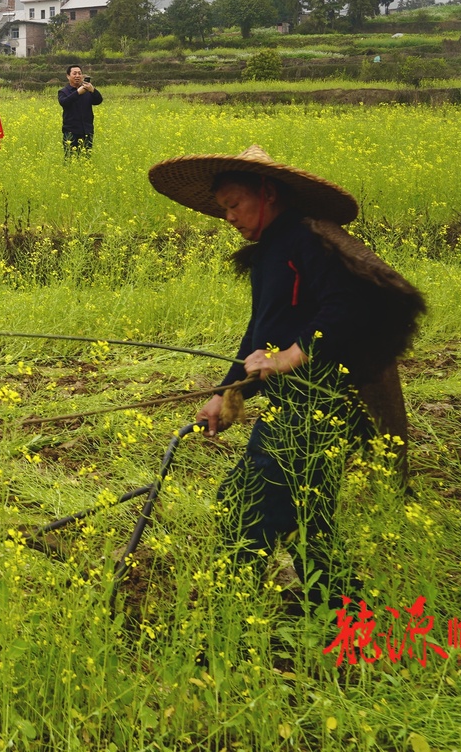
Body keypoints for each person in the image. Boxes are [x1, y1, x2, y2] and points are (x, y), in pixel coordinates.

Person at [149, 144, 422, 613]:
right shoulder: (269, 251)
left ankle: (229, 612)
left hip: (319, 400)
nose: (229, 217)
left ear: (268, 193)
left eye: (235, 204)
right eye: (223, 208)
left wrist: (294, 354)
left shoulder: (307, 239)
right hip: (297, 401)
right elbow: (261, 333)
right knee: (308, 515)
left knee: (244, 502)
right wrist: (226, 393)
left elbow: (350, 305)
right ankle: (341, 611)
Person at [58, 65, 101, 158]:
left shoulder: (87, 90)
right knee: (69, 159)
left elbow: (98, 101)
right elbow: (64, 103)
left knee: (86, 159)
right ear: (68, 76)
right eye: (74, 73)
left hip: (87, 131)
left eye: (79, 73)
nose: (77, 76)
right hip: (70, 132)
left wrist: (93, 90)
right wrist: (78, 93)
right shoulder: (63, 92)